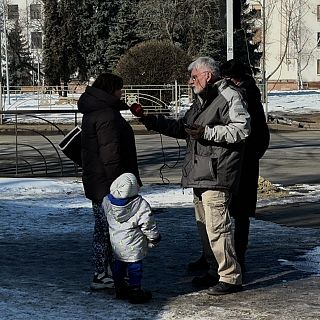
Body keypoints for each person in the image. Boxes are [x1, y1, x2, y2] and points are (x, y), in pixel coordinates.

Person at [136, 56, 251, 295]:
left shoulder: (229, 96)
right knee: (206, 227)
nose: (190, 82)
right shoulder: (202, 100)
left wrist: (207, 131)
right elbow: (185, 128)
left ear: (208, 75)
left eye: (194, 77)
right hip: (201, 173)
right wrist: (152, 121)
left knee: (218, 227)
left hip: (218, 174)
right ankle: (214, 270)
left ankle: (230, 276)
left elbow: (242, 129)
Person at [77, 73, 142, 290]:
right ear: (111, 90)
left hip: (97, 181)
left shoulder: (95, 111)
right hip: (108, 184)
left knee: (104, 228)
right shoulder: (106, 115)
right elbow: (110, 154)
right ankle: (103, 274)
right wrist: (120, 186)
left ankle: (106, 272)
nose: (121, 93)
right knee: (109, 230)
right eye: (119, 89)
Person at [220, 59, 270, 272]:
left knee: (239, 213)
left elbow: (260, 134)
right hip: (239, 160)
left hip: (244, 161)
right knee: (230, 211)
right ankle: (228, 255)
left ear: (234, 79)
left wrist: (250, 155)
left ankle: (238, 255)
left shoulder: (246, 97)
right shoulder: (244, 93)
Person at [102, 172, 161, 304]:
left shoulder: (106, 201)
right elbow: (148, 223)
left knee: (119, 265)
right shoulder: (140, 204)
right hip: (134, 243)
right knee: (135, 266)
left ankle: (120, 287)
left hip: (116, 242)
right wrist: (154, 237)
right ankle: (135, 290)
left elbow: (106, 217)